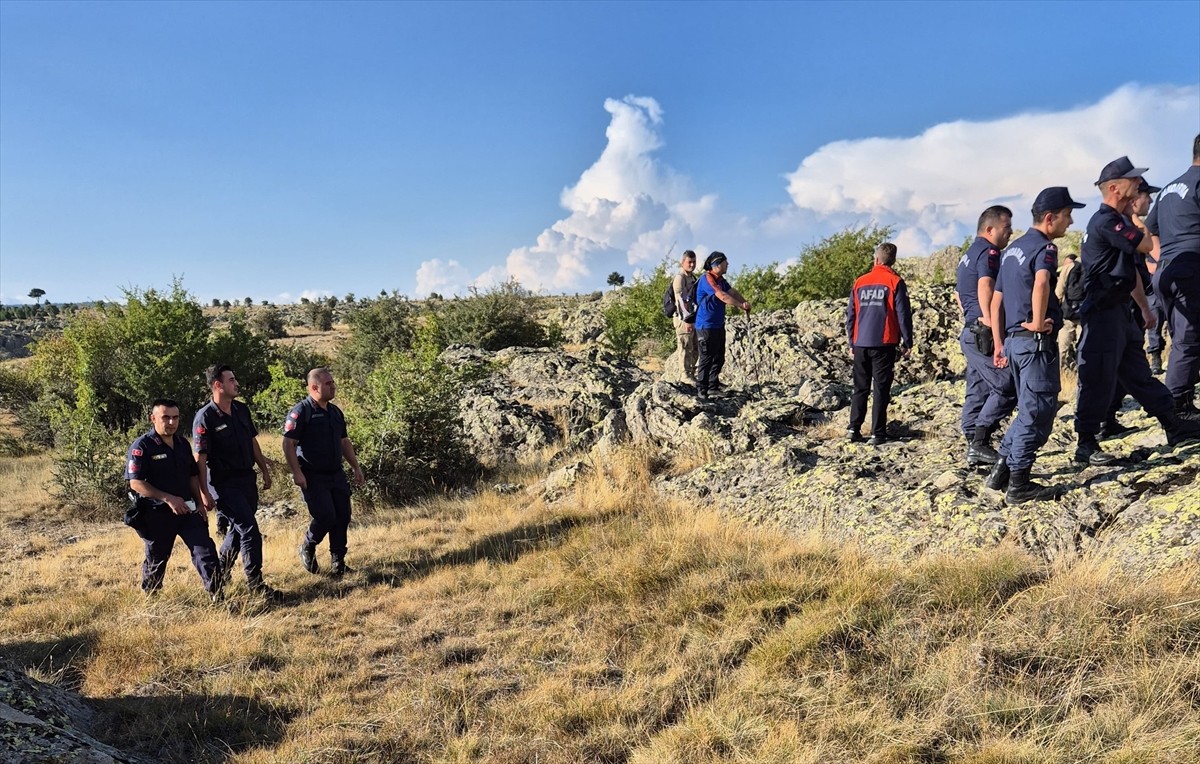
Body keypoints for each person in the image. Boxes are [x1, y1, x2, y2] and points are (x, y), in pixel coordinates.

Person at [1073, 157, 1200, 465]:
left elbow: (1127, 272)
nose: (1140, 187)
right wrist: (1133, 215)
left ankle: (1173, 424)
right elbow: (1144, 245)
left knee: (1139, 375)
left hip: (1120, 311)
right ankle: (1086, 443)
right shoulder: (1108, 220)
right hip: (1103, 313)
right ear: (1115, 188)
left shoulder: (1112, 221)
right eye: (1135, 183)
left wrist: (1144, 310)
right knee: (1099, 377)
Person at [986, 187, 1082, 503]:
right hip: (1034, 343)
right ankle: (1019, 484)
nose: (1069, 223)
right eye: (1067, 216)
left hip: (1014, 343)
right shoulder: (1045, 248)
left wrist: (999, 342)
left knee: (1027, 408)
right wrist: (1039, 321)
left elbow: (997, 300)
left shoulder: (1012, 250)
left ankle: (1001, 469)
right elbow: (1042, 283)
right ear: (1050, 218)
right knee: (1037, 413)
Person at [194, 364, 280, 599]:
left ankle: (220, 571)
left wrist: (264, 469)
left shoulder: (241, 410)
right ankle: (256, 584)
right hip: (223, 483)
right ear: (217, 385)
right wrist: (203, 492)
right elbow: (199, 459)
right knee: (250, 529)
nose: (237, 383)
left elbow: (253, 443)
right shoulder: (205, 417)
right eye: (231, 380)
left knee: (239, 528)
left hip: (246, 478)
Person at [125, 398, 222, 602]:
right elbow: (136, 483)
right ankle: (151, 599)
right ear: (153, 419)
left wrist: (199, 502)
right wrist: (167, 498)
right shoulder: (142, 446)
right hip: (157, 513)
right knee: (157, 559)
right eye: (165, 418)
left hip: (187, 510)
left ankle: (217, 596)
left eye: (175, 418)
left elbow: (192, 476)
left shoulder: (182, 444)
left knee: (205, 551)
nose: (171, 422)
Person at [283, 368, 365, 577]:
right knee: (326, 516)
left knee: (342, 515)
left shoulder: (335, 412)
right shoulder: (301, 412)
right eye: (328, 383)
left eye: (333, 382)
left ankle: (338, 562)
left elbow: (344, 441)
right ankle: (308, 545)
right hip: (312, 475)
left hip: (335, 473)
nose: (333, 385)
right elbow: (288, 443)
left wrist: (355, 467)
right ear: (314, 387)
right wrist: (296, 472)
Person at [955, 205, 1016, 466]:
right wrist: (993, 326)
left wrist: (973, 317)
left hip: (971, 329)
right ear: (989, 229)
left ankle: (973, 442)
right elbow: (986, 285)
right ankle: (979, 441)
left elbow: (959, 294)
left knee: (978, 386)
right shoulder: (990, 252)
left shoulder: (969, 253)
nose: (1010, 233)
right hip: (983, 332)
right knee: (1006, 384)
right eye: (1006, 228)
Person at [1148, 134, 1200, 416]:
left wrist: (1161, 260)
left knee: (1184, 335)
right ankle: (1178, 406)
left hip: (1167, 270)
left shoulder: (1170, 187)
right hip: (1189, 269)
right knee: (1187, 338)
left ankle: (1183, 399)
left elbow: (1149, 229)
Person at [846, 242, 913, 446]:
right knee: (881, 388)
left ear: (875, 259)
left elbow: (851, 314)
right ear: (893, 260)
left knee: (860, 387)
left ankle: (853, 428)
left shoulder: (860, 282)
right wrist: (907, 341)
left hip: (860, 342)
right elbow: (903, 314)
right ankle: (877, 433)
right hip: (884, 342)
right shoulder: (895, 282)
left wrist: (851, 341)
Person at [694, 251, 751, 400]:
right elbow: (723, 296)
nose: (728, 264)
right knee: (706, 358)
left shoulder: (721, 280)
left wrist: (744, 303)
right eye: (726, 262)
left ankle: (713, 386)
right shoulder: (707, 279)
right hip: (705, 325)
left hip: (718, 324)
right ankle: (702, 390)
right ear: (717, 264)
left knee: (719, 356)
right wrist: (740, 305)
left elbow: (731, 291)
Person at [1132, 179, 1166, 375]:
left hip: (1146, 286)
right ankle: (1154, 357)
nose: (1150, 201)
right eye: (1147, 196)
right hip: (1138, 292)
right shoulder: (1128, 228)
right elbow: (1149, 248)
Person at [671, 250, 699, 386]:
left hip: (692, 319)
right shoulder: (680, 278)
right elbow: (680, 301)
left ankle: (691, 373)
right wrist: (687, 320)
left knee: (694, 347)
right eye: (689, 262)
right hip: (683, 320)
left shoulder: (693, 278)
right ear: (683, 262)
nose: (692, 264)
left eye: (694, 262)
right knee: (685, 346)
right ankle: (685, 375)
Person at [1055, 254, 1083, 368]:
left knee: (1062, 346)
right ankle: (1081, 369)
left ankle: (1061, 370)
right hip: (1085, 314)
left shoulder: (1068, 267)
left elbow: (1059, 291)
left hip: (1068, 311)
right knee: (1084, 346)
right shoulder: (1092, 265)